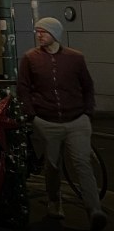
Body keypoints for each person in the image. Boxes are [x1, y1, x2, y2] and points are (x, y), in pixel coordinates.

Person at [18, 16, 105, 230]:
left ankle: (94, 210)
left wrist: (87, 113)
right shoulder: (30, 58)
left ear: (55, 34)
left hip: (77, 120)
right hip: (46, 121)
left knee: (82, 163)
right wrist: (32, 115)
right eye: (37, 31)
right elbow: (23, 88)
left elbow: (87, 86)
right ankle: (54, 201)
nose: (39, 35)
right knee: (53, 165)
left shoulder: (75, 58)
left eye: (44, 32)